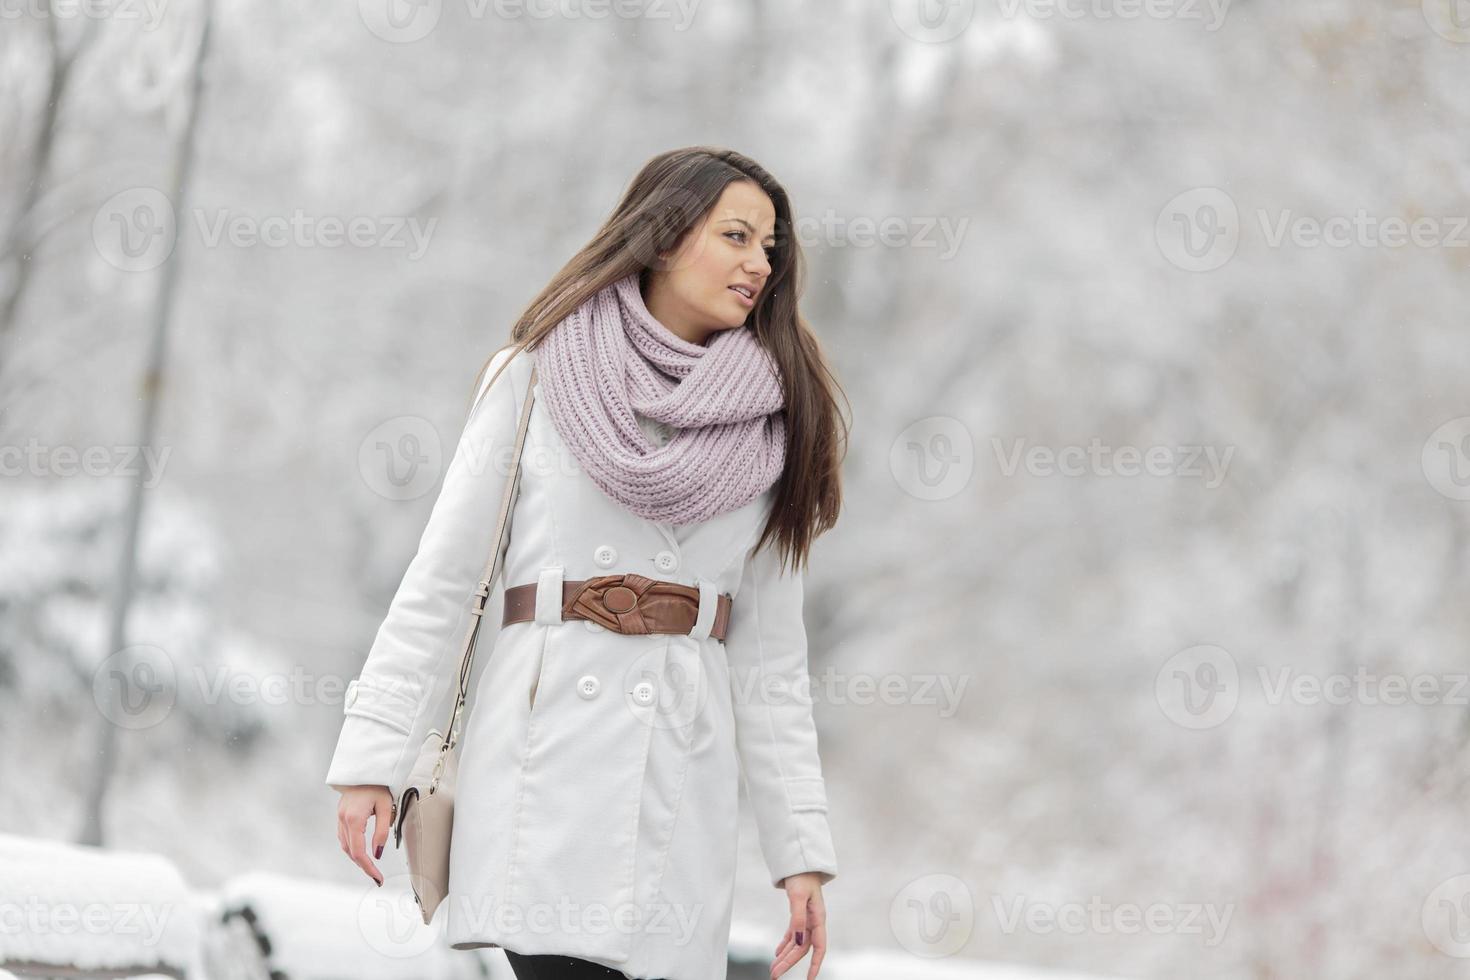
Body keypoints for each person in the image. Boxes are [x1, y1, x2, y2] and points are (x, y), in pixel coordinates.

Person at [327, 146, 849, 980]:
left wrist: (801, 856)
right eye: (738, 235)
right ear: (667, 236)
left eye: (770, 247)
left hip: (680, 784)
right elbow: (444, 581)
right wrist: (371, 759)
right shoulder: (534, 374)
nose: (761, 263)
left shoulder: (776, 426)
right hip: (544, 769)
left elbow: (773, 663)